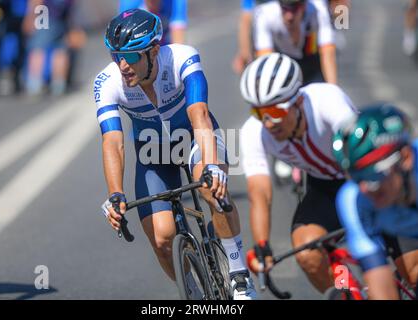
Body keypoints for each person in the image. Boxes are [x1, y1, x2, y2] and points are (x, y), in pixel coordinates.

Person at [95, 9, 256, 300]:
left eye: (131, 56)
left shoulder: (181, 58)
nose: (122, 65)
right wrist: (115, 193)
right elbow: (112, 142)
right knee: (161, 237)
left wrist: (211, 166)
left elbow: (199, 115)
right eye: (115, 55)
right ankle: (192, 294)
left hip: (195, 138)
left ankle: (239, 275)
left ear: (154, 51)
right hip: (153, 154)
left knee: (212, 190)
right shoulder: (107, 83)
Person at [241, 53, 358, 294]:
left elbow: (359, 161)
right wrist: (262, 245)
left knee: (410, 270)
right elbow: (259, 192)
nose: (268, 122)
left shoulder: (327, 100)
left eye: (275, 110)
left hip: (367, 181)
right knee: (307, 252)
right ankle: (343, 294)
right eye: (259, 113)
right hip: (326, 187)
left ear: (297, 102)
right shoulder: (253, 132)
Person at [333, 104, 418, 300]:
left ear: (405, 158)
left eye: (371, 176)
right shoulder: (353, 199)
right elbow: (380, 285)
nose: (363, 188)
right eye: (356, 177)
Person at [253, 0, 337, 85]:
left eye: (294, 9)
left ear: (304, 6)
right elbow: (266, 58)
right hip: (282, 63)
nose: (289, 16)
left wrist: (333, 88)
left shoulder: (318, 10)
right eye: (285, 8)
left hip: (311, 60)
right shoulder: (265, 14)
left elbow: (327, 53)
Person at [23, 0, 86, 96]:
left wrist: (31, 16)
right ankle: (58, 85)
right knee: (60, 50)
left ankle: (34, 85)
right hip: (63, 15)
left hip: (45, 15)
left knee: (37, 49)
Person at [118, 0, 187, 44]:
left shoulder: (176, 2)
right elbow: (124, 41)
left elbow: (178, 42)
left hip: (164, 46)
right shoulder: (129, 3)